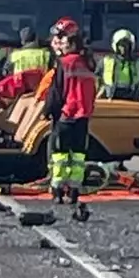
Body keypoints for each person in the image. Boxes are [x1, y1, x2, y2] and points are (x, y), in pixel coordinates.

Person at [43, 16, 98, 204]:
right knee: (78, 156)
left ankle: (58, 190)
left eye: (62, 38)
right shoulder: (88, 63)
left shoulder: (64, 63)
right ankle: (74, 190)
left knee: (59, 155)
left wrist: (47, 111)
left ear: (72, 41)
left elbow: (56, 92)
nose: (59, 43)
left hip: (66, 115)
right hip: (83, 117)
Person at [97, 28, 139, 100]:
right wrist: (100, 90)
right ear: (115, 46)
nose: (124, 48)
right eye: (121, 45)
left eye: (126, 44)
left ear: (131, 46)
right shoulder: (106, 61)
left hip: (132, 99)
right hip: (109, 98)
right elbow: (96, 78)